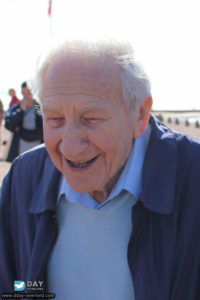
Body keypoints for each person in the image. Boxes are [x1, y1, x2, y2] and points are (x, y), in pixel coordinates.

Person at [0, 39, 200, 300]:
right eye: (55, 119)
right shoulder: (23, 178)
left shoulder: (193, 177)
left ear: (139, 114)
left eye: (91, 119)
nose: (70, 147)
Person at [4, 81, 43, 162]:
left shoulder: (38, 107)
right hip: (19, 154)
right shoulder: (17, 107)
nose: (26, 95)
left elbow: (43, 130)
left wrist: (21, 132)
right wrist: (21, 111)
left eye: (28, 92)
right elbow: (9, 125)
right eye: (23, 93)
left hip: (37, 152)